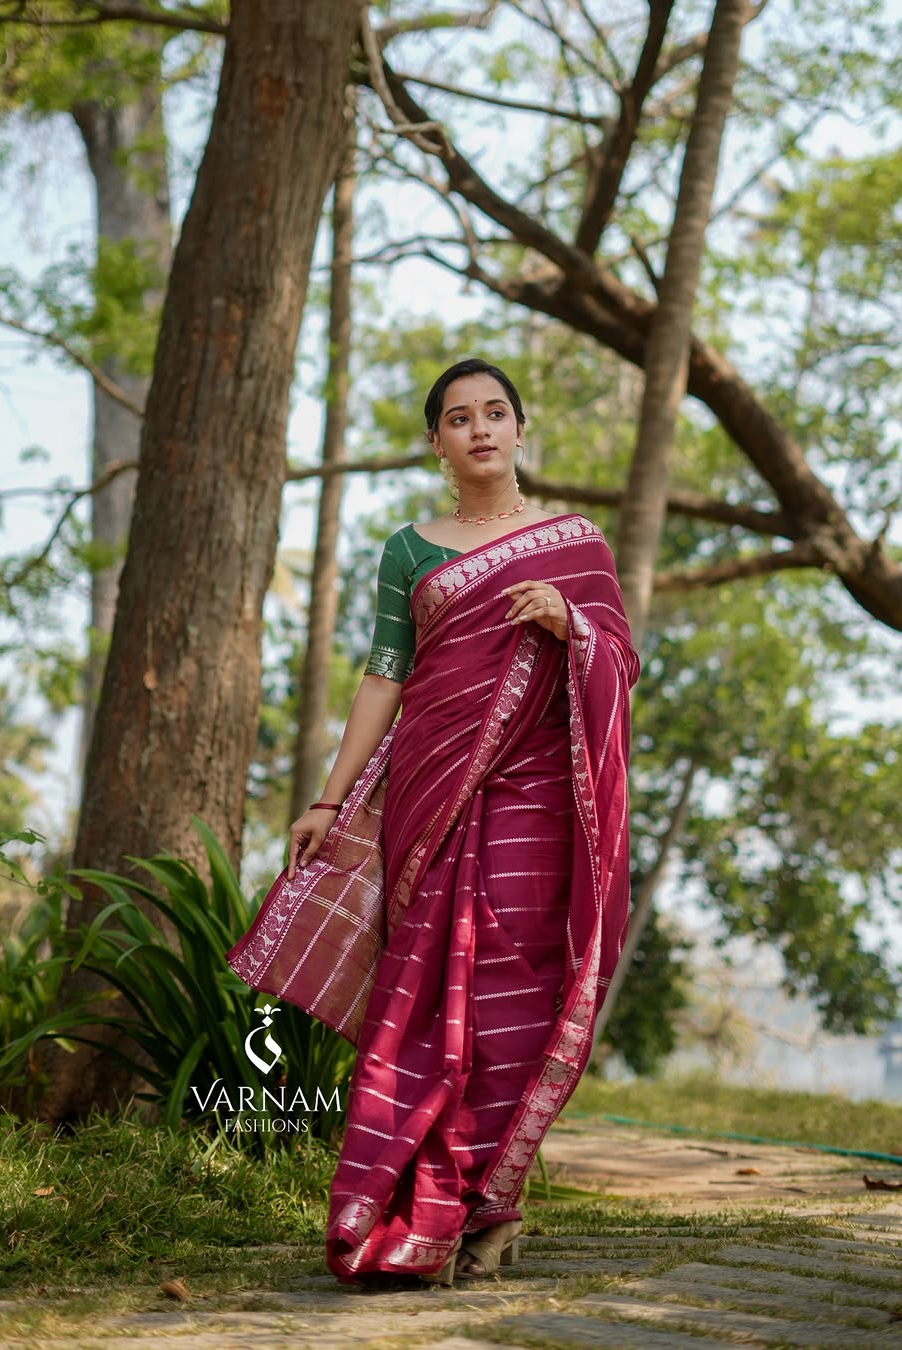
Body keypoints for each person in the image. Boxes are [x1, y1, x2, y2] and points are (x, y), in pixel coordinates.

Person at [227, 358, 639, 1286]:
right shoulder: (408, 551)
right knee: (428, 999)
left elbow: (620, 659)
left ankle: (490, 1199)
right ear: (436, 442)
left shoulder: (577, 544)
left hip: (538, 790)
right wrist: (329, 799)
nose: (480, 429)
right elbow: (386, 677)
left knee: (511, 994)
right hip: (431, 788)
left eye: (495, 412)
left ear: (521, 429)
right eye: (459, 418)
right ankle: (424, 1209)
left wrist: (571, 624)